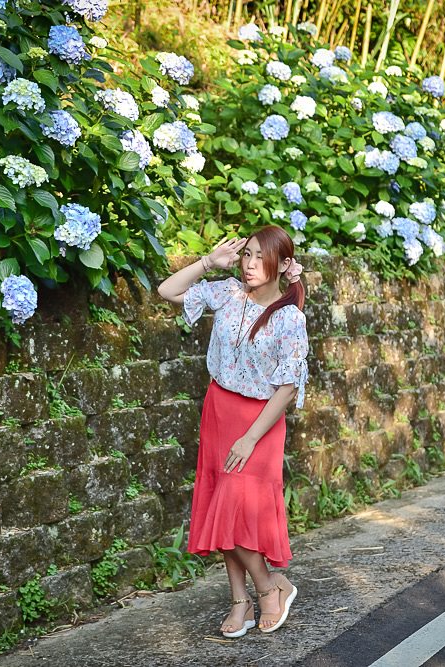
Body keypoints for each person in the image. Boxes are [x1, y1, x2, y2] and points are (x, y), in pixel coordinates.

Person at [156, 225, 309, 637]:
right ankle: (243, 599)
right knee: (221, 505)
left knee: (235, 506)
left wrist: (250, 437)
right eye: (247, 255)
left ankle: (269, 588)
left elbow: (287, 387)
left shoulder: (290, 317)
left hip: (260, 421)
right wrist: (208, 262)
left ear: (282, 265)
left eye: (261, 257)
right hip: (220, 409)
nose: (250, 264)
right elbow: (167, 291)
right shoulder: (226, 293)